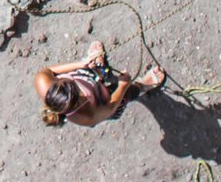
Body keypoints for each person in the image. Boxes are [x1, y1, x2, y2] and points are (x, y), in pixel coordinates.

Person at [33, 40, 164, 128]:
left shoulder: (43, 82)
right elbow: (109, 108)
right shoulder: (84, 116)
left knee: (90, 69)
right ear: (77, 101)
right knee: (125, 94)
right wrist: (123, 86)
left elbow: (50, 70)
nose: (72, 82)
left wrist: (81, 64)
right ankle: (140, 86)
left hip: (85, 77)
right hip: (103, 101)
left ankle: (98, 69)